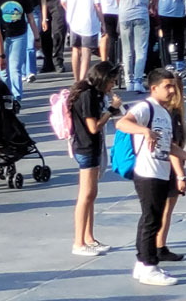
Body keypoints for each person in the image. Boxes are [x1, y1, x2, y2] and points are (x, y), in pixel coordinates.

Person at [114, 69, 186, 287]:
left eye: (172, 85)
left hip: (159, 171)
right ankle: (149, 266)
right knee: (151, 220)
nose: (172, 90)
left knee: (151, 218)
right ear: (153, 88)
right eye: (167, 86)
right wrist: (144, 132)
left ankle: (142, 263)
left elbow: (168, 146)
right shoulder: (145, 107)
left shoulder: (164, 113)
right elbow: (122, 123)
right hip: (148, 173)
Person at [69, 61, 122, 257]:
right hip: (86, 147)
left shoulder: (89, 92)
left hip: (88, 146)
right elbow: (94, 127)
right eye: (112, 82)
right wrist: (112, 110)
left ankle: (89, 237)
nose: (112, 86)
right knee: (86, 195)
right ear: (104, 79)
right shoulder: (88, 95)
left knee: (91, 195)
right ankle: (79, 242)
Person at [0, 0, 40, 105]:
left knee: (15, 69)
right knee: (3, 70)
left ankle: (17, 97)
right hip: (1, 37)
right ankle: (6, 96)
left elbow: (31, 18)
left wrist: (36, 37)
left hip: (19, 35)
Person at [155, 73, 186, 263]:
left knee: (160, 209)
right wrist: (181, 176)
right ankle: (160, 246)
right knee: (166, 209)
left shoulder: (162, 111)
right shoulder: (173, 113)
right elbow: (173, 146)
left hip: (159, 165)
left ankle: (158, 244)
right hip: (169, 168)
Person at [115, 0, 158, 92]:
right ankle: (139, 80)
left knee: (127, 49)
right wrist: (152, 5)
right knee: (141, 48)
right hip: (141, 13)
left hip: (125, 14)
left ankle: (129, 80)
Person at [61, 0, 105, 82]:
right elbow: (97, 4)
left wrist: (70, 12)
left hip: (73, 20)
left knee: (75, 50)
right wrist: (102, 22)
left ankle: (76, 79)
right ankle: (82, 79)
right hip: (89, 21)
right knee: (86, 51)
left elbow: (63, 1)